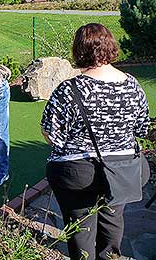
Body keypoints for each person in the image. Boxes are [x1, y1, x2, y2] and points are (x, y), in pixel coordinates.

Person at [41, 23, 149, 260]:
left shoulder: (68, 89)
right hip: (122, 170)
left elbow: (51, 134)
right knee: (112, 221)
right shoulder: (132, 84)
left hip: (77, 172)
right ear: (110, 46)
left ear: (79, 50)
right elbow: (141, 128)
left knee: (80, 229)